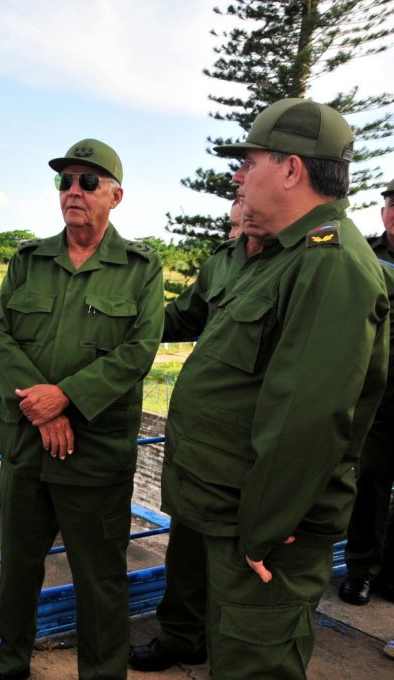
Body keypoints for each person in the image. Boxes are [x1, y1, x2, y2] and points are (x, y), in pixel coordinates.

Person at [160, 98, 389, 680]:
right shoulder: (283, 257)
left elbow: (307, 418)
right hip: (239, 518)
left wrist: (262, 530)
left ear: (291, 168)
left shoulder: (329, 262)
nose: (238, 175)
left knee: (255, 666)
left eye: (250, 161)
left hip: (264, 536)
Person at [0, 139, 164, 680]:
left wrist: (66, 398)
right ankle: (11, 662)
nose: (73, 192)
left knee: (100, 576)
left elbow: (138, 352)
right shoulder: (28, 261)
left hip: (95, 456)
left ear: (116, 195)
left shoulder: (140, 269)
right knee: (17, 568)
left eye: (88, 182)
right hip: (25, 445)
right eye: (65, 181)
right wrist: (44, 408)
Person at [129, 203, 264, 672]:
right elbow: (183, 316)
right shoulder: (224, 262)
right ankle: (181, 638)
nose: (238, 227)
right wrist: (124, 318)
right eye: (232, 221)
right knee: (185, 553)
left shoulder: (297, 265)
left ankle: (230, 655)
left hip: (246, 448)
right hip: (196, 445)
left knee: (234, 565)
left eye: (245, 217)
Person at [338, 178, 394, 606]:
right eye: (391, 204)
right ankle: (361, 571)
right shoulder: (368, 256)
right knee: (369, 483)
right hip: (379, 397)